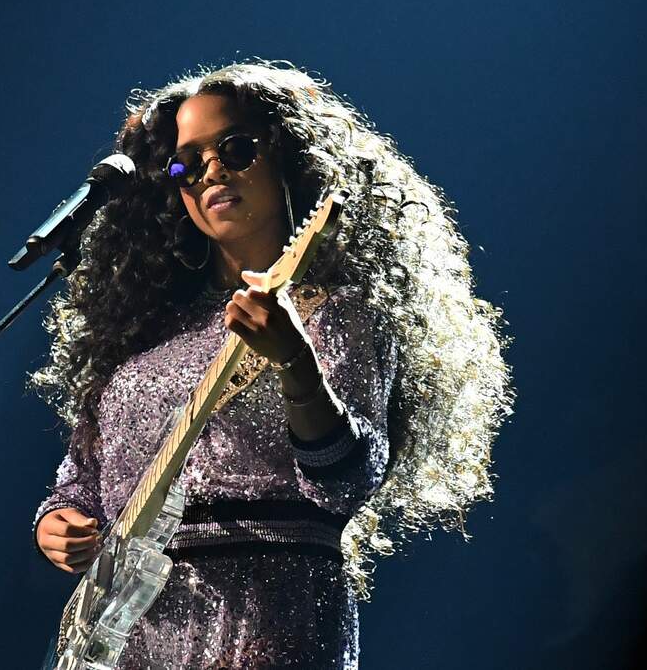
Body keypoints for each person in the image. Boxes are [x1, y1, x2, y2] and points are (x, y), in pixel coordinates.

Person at [30, 60, 514, 669]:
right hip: (129, 630)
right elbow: (81, 478)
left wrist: (294, 361)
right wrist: (57, 522)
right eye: (186, 164)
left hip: (269, 612)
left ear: (288, 156)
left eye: (235, 149)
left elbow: (349, 478)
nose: (211, 171)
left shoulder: (336, 312)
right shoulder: (144, 334)